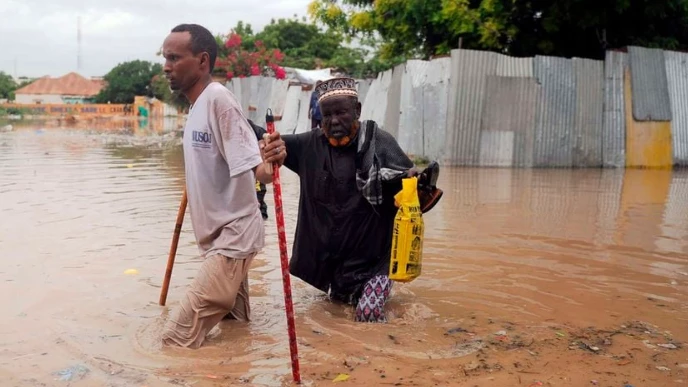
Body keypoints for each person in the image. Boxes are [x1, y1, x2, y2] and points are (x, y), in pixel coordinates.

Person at [257, 77, 442, 323]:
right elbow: (260, 135)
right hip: (335, 263)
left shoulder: (381, 143)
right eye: (327, 115)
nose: (334, 121)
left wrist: (417, 186)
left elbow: (411, 202)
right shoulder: (309, 145)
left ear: (357, 110)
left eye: (342, 113)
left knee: (367, 314)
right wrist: (271, 145)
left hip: (377, 262)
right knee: (332, 317)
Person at [159, 23, 286, 349]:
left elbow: (258, 172)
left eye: (175, 58)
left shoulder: (219, 100)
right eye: (165, 57)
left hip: (233, 239)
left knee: (174, 341)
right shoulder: (196, 106)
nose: (166, 66)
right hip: (221, 240)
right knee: (237, 334)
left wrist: (272, 158)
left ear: (202, 61)